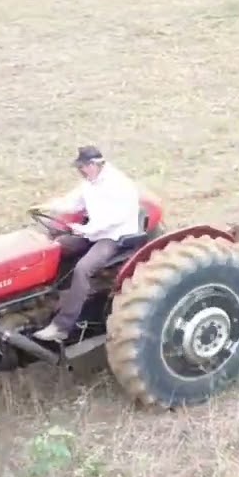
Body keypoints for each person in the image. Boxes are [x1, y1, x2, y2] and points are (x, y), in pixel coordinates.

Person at [32, 145, 142, 342]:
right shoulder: (89, 183)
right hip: (91, 232)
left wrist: (86, 230)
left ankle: (62, 326)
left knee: (83, 269)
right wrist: (47, 206)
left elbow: (117, 218)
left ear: (94, 165)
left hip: (113, 236)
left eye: (82, 167)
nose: (80, 171)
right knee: (58, 247)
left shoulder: (119, 184)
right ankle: (51, 297)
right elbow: (73, 202)